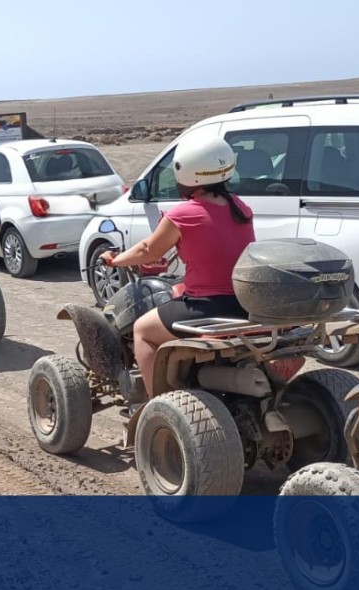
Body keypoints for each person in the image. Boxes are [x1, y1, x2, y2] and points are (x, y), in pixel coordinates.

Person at [102, 134, 255, 407]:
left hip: (208, 308)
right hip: (243, 304)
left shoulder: (183, 214)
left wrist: (115, 260)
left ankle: (156, 406)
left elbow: (146, 250)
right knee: (178, 290)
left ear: (186, 172)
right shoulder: (240, 208)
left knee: (142, 330)